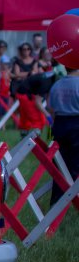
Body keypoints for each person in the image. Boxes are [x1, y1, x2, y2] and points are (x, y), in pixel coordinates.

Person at [47, 64, 79, 206]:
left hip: (60, 124)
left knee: (60, 166)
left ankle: (56, 202)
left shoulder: (57, 85)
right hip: (76, 124)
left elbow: (50, 107)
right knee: (75, 167)